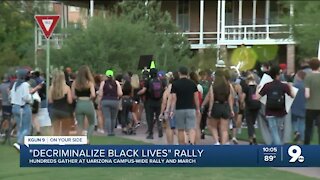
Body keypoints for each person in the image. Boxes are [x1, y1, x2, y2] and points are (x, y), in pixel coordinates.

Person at [257, 65, 295, 145]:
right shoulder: (284, 85)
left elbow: (256, 98)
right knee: (277, 131)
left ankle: (277, 147)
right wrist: (290, 87)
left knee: (274, 131)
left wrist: (257, 90)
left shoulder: (267, 85)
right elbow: (292, 95)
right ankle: (278, 147)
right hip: (281, 111)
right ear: (278, 74)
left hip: (270, 111)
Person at [170, 67, 200, 145]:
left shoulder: (175, 84)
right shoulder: (193, 84)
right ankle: (192, 142)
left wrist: (172, 110)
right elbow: (196, 98)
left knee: (180, 129)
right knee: (191, 128)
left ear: (179, 73)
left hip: (179, 109)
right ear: (187, 73)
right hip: (191, 108)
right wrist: (198, 109)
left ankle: (182, 145)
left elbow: (174, 98)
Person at [207, 69, 234, 145]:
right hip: (225, 106)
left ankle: (216, 142)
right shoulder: (228, 86)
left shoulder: (213, 86)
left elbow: (211, 98)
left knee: (213, 127)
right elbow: (230, 98)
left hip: (216, 106)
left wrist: (210, 110)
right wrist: (231, 110)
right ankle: (224, 143)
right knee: (224, 129)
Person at [138, 68, 164, 139]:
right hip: (158, 101)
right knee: (158, 116)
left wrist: (138, 93)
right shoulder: (160, 81)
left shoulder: (148, 81)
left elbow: (143, 91)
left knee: (150, 118)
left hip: (149, 101)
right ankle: (159, 127)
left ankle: (150, 133)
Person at [11, 69, 33, 151]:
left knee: (20, 127)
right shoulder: (25, 85)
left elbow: (11, 96)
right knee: (26, 127)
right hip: (23, 107)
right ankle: (19, 143)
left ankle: (22, 143)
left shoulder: (15, 84)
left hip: (15, 107)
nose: (29, 76)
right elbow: (26, 97)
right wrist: (31, 99)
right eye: (27, 74)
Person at [72, 65, 96, 140]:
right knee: (92, 123)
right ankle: (87, 139)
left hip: (79, 103)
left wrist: (78, 98)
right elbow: (93, 95)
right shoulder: (90, 83)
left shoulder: (75, 83)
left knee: (80, 125)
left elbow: (73, 96)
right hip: (88, 103)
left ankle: (80, 140)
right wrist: (90, 98)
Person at [49, 70, 74, 136]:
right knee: (65, 131)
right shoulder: (67, 88)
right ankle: (64, 145)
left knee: (55, 131)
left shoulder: (51, 88)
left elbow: (50, 101)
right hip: (65, 111)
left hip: (55, 110)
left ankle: (56, 145)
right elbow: (70, 101)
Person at [98, 69, 122, 136]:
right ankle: (112, 131)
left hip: (105, 100)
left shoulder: (103, 83)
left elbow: (100, 94)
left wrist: (99, 103)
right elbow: (120, 93)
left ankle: (109, 132)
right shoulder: (116, 82)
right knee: (113, 117)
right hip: (114, 100)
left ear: (106, 75)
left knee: (107, 117)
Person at [304, 58, 320, 145]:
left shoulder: (308, 77)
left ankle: (307, 146)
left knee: (309, 128)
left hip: (310, 107)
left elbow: (307, 95)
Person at [160, 71, 179, 144]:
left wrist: (162, 112)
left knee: (170, 128)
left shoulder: (170, 87)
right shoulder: (181, 86)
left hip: (171, 109)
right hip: (181, 108)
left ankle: (170, 145)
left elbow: (164, 101)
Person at [242, 72, 261, 145]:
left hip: (249, 106)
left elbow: (242, 97)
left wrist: (242, 103)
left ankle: (252, 137)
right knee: (252, 122)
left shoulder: (246, 87)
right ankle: (253, 136)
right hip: (257, 106)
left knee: (249, 123)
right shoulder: (257, 87)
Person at [291, 70, 306, 144]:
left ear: (298, 76)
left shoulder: (294, 86)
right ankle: (302, 139)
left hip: (294, 106)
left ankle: (296, 131)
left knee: (294, 121)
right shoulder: (306, 86)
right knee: (302, 123)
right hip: (304, 106)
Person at [189, 71, 203, 144]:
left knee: (190, 127)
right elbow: (201, 97)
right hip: (197, 107)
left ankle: (191, 140)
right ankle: (196, 143)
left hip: (190, 106)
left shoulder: (189, 85)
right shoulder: (199, 87)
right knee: (197, 126)